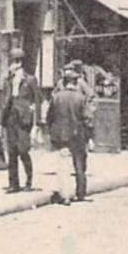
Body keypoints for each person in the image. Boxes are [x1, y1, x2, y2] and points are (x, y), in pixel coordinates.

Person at [46, 70, 93, 203]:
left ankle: (65, 195)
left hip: (61, 136)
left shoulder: (56, 97)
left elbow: (49, 117)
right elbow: (87, 119)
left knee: (63, 166)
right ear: (75, 82)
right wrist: (89, 136)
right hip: (78, 136)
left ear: (64, 82)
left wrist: (53, 131)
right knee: (79, 165)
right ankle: (81, 193)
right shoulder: (81, 98)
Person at [3, 72, 37, 194]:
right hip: (11, 119)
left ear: (19, 63)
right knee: (11, 153)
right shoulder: (8, 80)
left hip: (24, 120)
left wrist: (35, 125)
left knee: (23, 151)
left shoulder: (30, 80)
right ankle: (13, 184)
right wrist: (1, 122)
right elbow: (5, 101)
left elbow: (37, 100)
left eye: (13, 62)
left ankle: (28, 181)